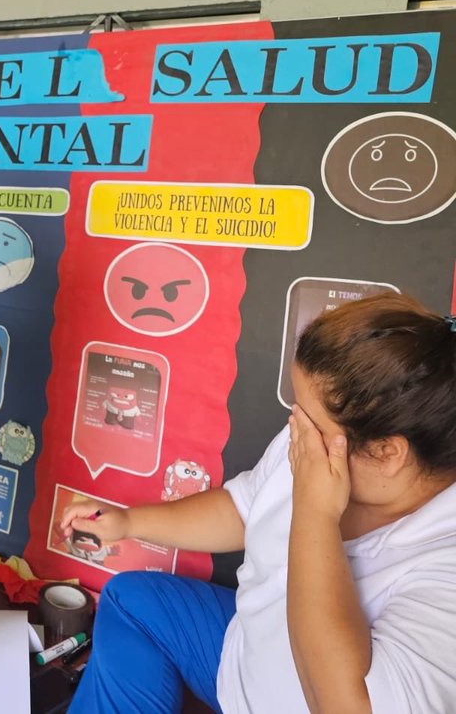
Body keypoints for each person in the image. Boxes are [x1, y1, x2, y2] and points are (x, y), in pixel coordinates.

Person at [59, 292, 456, 713]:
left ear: (387, 453)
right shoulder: (313, 439)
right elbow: (245, 509)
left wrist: (315, 512)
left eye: (310, 421)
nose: (294, 427)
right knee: (130, 602)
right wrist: (128, 523)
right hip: (241, 661)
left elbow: (344, 705)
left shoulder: (443, 564)